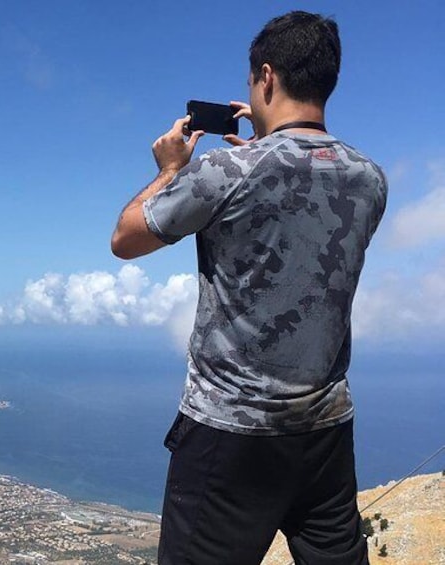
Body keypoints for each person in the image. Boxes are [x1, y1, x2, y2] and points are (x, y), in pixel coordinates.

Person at [111, 11, 387, 565]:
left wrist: (170, 170)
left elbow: (126, 238)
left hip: (228, 434)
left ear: (265, 77)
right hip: (325, 431)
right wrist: (266, 138)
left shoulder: (225, 169)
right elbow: (299, 207)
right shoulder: (369, 178)